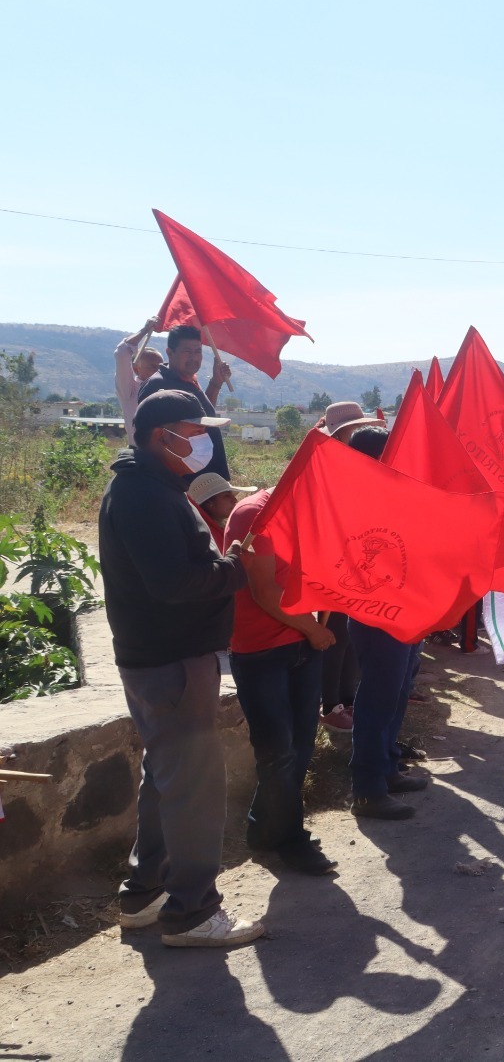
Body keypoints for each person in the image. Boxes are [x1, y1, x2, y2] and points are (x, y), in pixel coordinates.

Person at [97, 390, 262, 947]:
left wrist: (221, 564)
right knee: (193, 784)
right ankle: (193, 912)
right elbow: (173, 584)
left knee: (165, 777)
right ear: (163, 435)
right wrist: (236, 569)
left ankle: (145, 892)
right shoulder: (145, 495)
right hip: (170, 662)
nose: (204, 442)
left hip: (158, 658)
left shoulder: (150, 487)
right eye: (195, 432)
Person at [224, 487, 338, 875]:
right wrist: (315, 631)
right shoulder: (255, 515)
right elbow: (265, 590)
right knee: (278, 750)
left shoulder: (314, 512)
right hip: (262, 653)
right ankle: (291, 840)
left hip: (303, 644)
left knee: (299, 746)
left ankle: (263, 828)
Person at [337, 425, 430, 820]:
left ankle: (388, 768)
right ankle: (367, 789)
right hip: (378, 615)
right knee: (378, 698)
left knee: (397, 692)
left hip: (406, 610)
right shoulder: (354, 498)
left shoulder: (393, 493)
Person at [136, 324, 231, 480]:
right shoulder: (158, 386)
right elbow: (152, 442)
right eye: (187, 351)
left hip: (209, 481)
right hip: (186, 483)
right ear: (170, 353)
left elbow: (203, 418)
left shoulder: (190, 381)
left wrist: (216, 382)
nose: (194, 357)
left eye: (197, 351)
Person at [113, 317, 165, 426]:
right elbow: (121, 353)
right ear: (136, 369)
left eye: (161, 367)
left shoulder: (167, 390)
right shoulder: (129, 391)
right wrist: (145, 330)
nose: (158, 371)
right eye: (153, 367)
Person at [187, 473, 257, 551]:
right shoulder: (206, 537)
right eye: (227, 496)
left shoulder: (211, 529)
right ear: (210, 503)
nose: (235, 500)